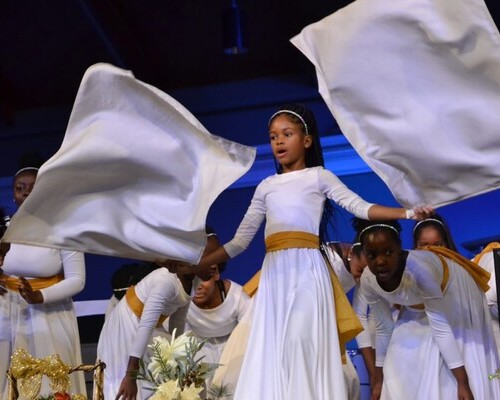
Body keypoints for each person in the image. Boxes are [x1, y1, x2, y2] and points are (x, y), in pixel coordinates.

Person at [182, 104, 433, 400]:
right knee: (277, 346)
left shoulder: (318, 177)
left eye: (287, 134)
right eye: (273, 136)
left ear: (307, 140)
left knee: (304, 339)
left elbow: (360, 206)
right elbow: (239, 242)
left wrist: (406, 213)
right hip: (276, 274)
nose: (278, 141)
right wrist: (194, 265)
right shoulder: (266, 186)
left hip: (307, 272)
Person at [356, 219, 500, 400]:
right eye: (372, 255)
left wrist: (463, 382)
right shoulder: (368, 280)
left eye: (388, 252)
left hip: (455, 289)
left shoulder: (420, 272)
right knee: (400, 355)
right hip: (422, 301)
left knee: (453, 352)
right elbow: (384, 328)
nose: (381, 261)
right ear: (364, 255)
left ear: (399, 249)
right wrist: (378, 380)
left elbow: (440, 328)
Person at [97, 233, 220, 400]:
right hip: (130, 324)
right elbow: (146, 325)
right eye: (209, 258)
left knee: (169, 376)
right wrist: (130, 376)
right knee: (136, 384)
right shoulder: (166, 280)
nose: (215, 265)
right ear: (192, 257)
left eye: (217, 257)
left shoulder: (193, 280)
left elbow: (178, 321)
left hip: (150, 326)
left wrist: (181, 361)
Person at [0, 166, 86, 397]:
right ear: (14, 194)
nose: (27, 193)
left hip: (49, 316)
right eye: (20, 188)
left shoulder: (64, 231)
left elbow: (77, 280)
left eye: (34, 187)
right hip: (8, 314)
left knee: (50, 382)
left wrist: (40, 296)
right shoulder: (3, 228)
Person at [185, 230, 252, 391]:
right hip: (197, 354)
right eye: (192, 278)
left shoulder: (237, 298)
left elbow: (251, 337)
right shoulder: (180, 297)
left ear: (215, 273)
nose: (198, 286)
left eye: (204, 278)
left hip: (233, 353)